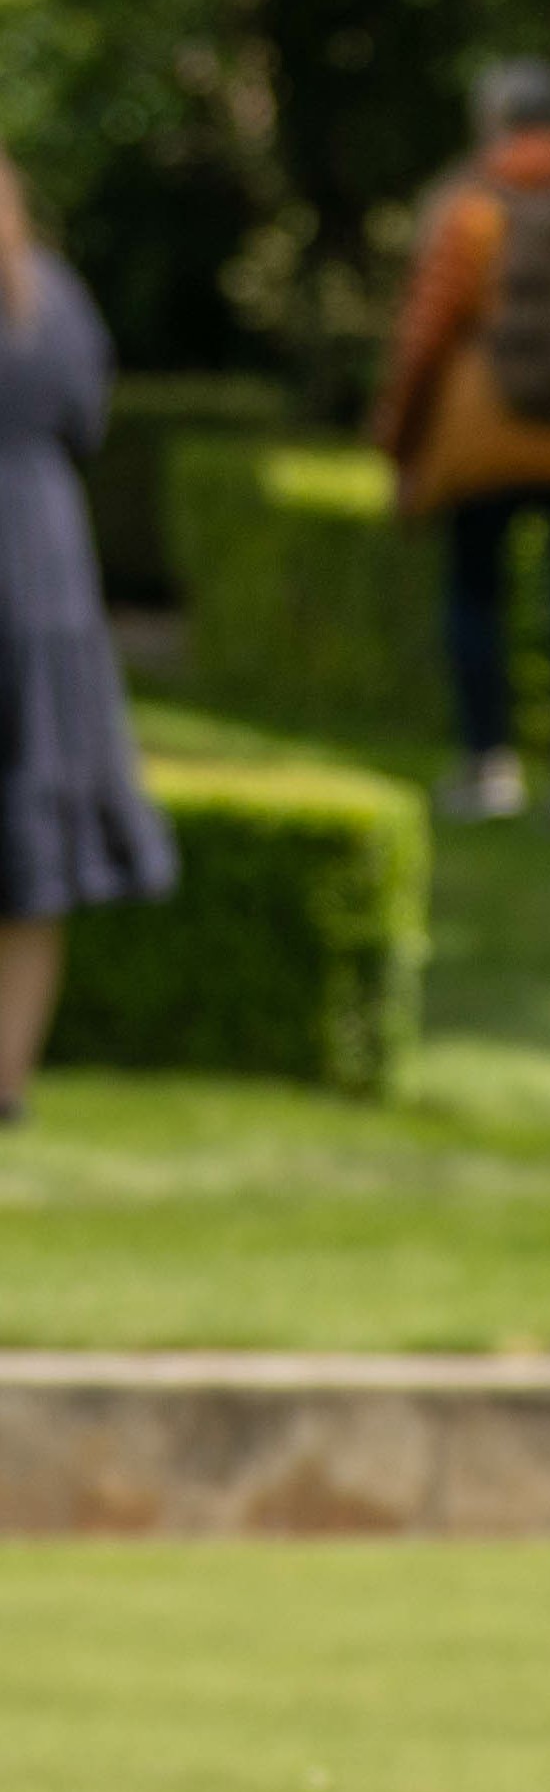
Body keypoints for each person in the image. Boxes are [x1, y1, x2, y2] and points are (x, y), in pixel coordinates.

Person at [370, 59, 550, 845]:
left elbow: (426, 334)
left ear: (493, 121)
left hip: (491, 436)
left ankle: (489, 766)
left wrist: (396, 442)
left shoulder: (473, 208)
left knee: (475, 597)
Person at [0, 151, 177, 1121]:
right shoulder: (51, 298)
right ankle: (7, 1082)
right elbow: (88, 419)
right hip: (40, 565)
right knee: (29, 841)